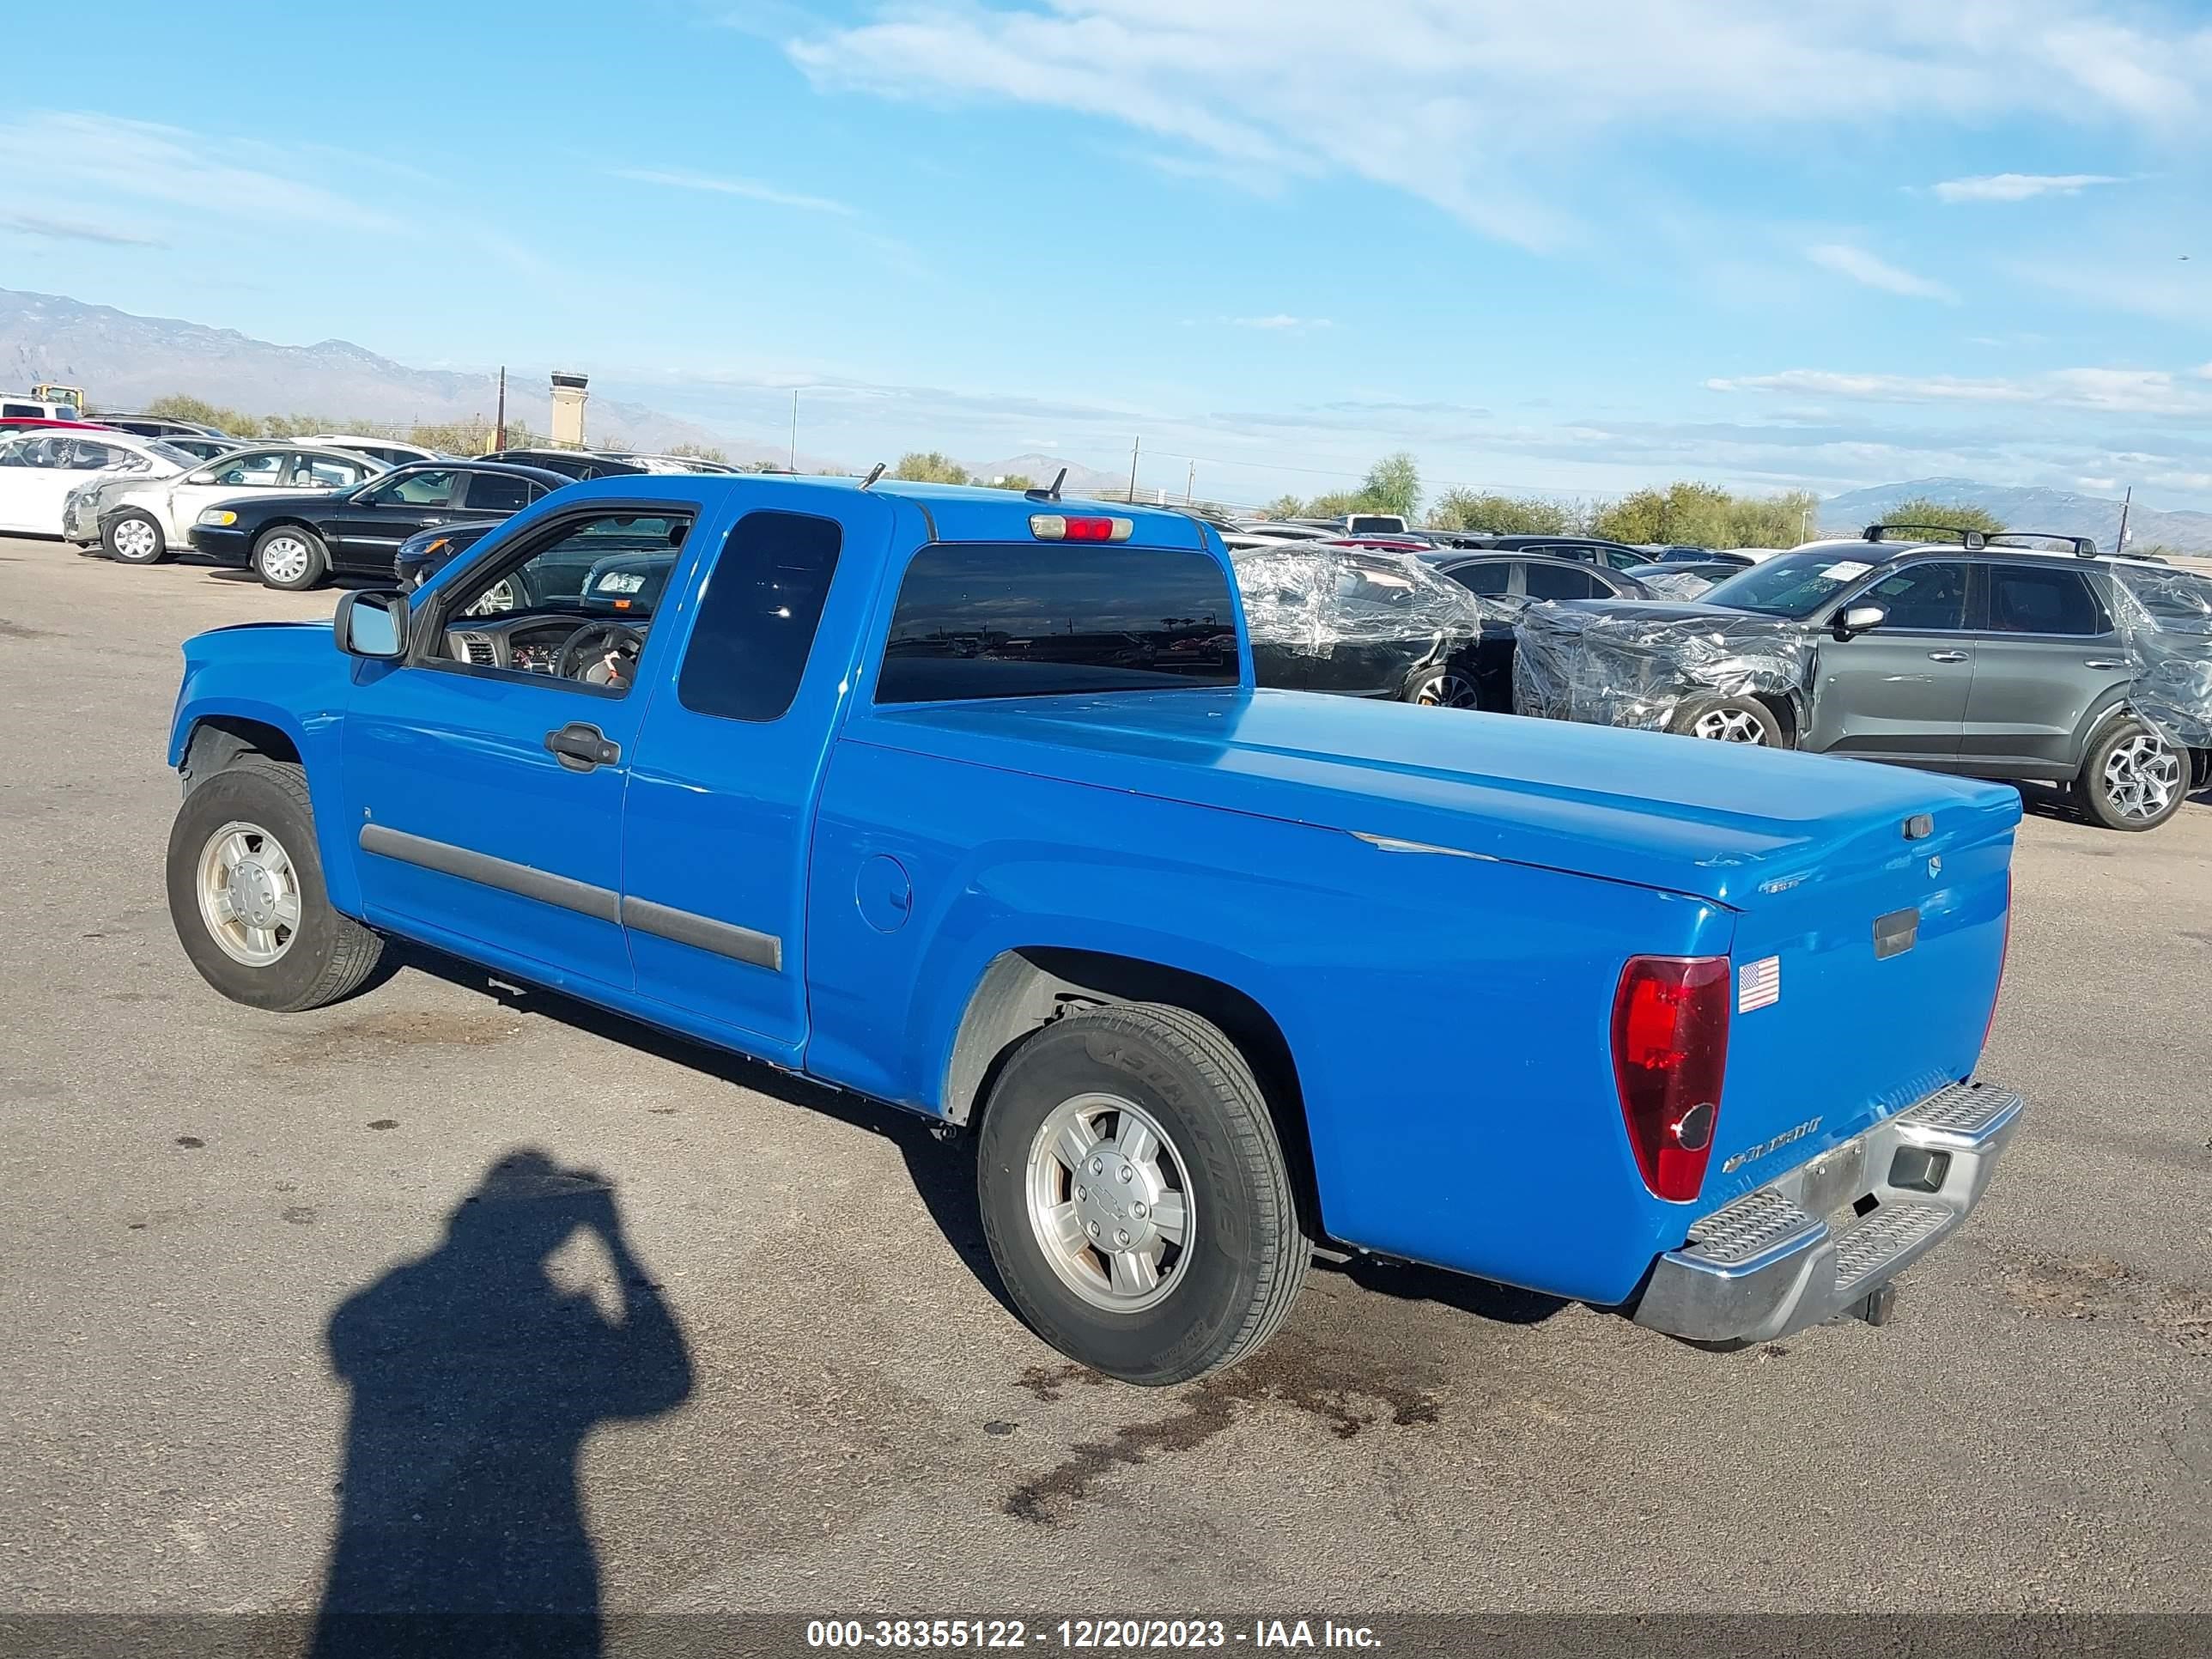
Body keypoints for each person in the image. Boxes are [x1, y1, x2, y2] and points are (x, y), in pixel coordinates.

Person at [310, 1151, 693, 1658]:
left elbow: (347, 1348)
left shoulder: (377, 1301)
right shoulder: (555, 1319)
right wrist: (615, 1240)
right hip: (534, 1555)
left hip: (380, 1556)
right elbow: (662, 1387)